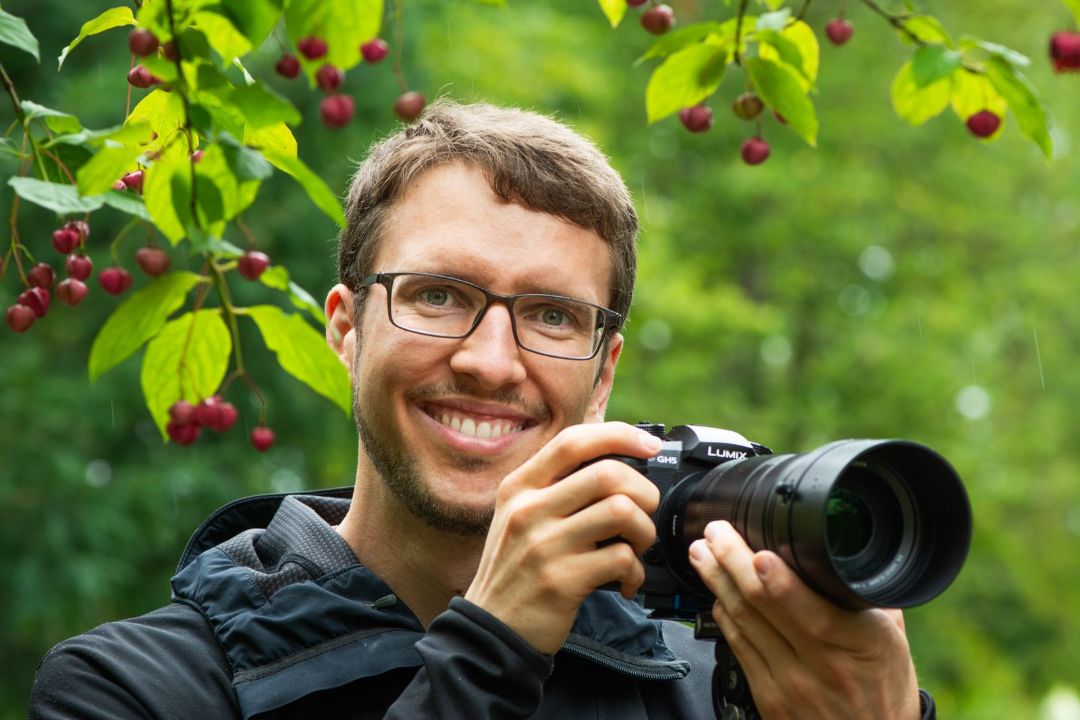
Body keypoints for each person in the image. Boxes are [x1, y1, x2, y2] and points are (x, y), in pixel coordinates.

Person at [29, 100, 936, 719]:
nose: (492, 361)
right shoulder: (134, 688)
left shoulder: (706, 687)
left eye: (551, 315)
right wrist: (490, 649)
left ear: (604, 370)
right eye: (437, 295)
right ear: (346, 328)